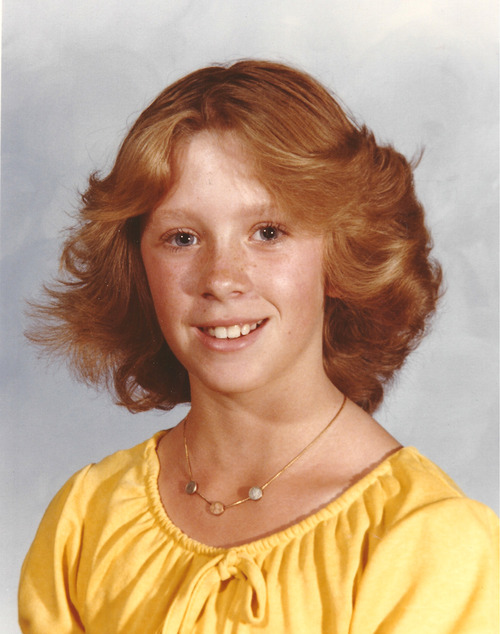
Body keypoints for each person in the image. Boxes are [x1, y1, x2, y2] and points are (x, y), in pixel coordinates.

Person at [18, 60, 498, 633]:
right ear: (138, 269)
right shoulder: (88, 519)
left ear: (343, 253)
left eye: (268, 232)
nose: (221, 279)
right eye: (182, 237)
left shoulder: (422, 543)